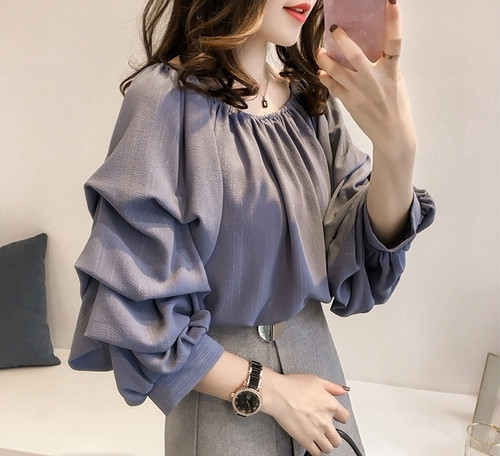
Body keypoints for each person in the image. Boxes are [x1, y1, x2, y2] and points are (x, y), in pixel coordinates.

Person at [69, 0, 435, 454]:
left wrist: (397, 148)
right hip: (226, 401)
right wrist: (271, 390)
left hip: (321, 382)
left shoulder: (309, 99)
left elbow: (358, 256)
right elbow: (136, 309)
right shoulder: (163, 100)